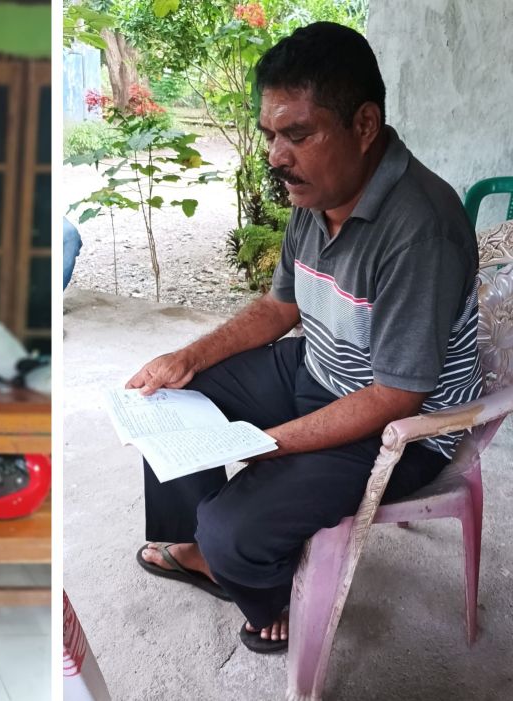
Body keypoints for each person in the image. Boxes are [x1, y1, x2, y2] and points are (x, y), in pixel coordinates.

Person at [130, 22, 482, 654]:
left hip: (400, 427)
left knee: (234, 528)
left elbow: (397, 397)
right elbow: (279, 307)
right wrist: (186, 357)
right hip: (315, 367)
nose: (275, 156)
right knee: (165, 399)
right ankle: (194, 547)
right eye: (270, 134)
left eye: (297, 134)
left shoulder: (420, 229)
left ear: (365, 124)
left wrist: (269, 444)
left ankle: (262, 598)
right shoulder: (314, 192)